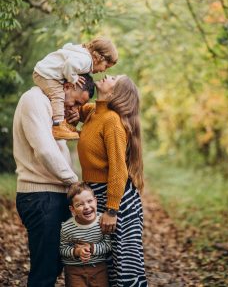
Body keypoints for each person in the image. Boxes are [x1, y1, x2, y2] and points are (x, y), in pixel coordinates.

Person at [13, 73, 95, 287]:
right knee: (45, 271)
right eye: (76, 101)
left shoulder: (53, 109)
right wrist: (74, 182)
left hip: (53, 195)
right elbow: (45, 151)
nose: (74, 107)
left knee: (55, 265)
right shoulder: (34, 100)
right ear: (67, 85)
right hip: (40, 196)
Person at [77, 75, 148, 286]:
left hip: (117, 202)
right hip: (97, 196)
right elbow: (76, 109)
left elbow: (119, 169)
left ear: (117, 93)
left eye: (114, 78)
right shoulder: (94, 113)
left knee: (124, 268)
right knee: (104, 266)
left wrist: (111, 210)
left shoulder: (112, 122)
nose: (108, 75)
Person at [32, 36, 118, 140]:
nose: (104, 71)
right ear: (98, 58)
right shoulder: (86, 60)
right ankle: (58, 126)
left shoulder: (81, 54)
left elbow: (85, 130)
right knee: (58, 96)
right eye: (106, 66)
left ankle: (61, 124)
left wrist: (75, 121)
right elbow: (69, 64)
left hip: (45, 72)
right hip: (45, 73)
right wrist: (74, 78)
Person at [60, 182, 111, 287]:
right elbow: (62, 248)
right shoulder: (67, 227)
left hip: (99, 269)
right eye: (80, 205)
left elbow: (108, 244)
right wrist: (76, 251)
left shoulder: (102, 222)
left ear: (96, 201)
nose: (86, 207)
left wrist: (92, 248)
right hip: (74, 271)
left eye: (89, 201)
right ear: (72, 209)